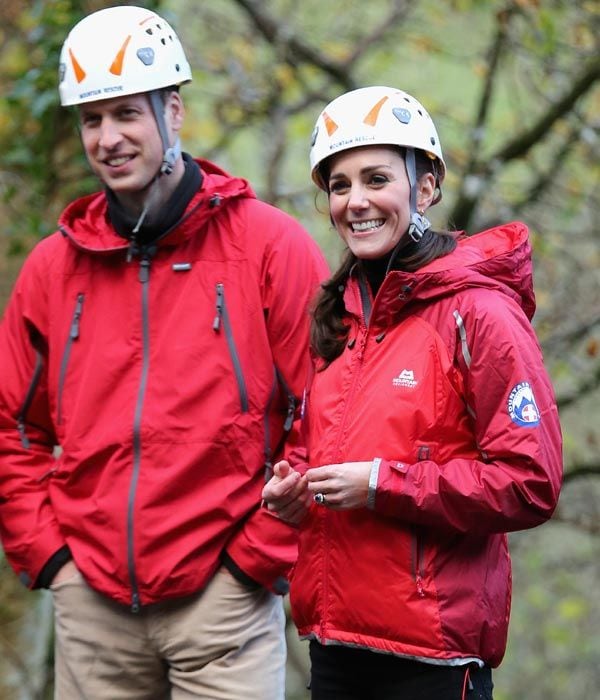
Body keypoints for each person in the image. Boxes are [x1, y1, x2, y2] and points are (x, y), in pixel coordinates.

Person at [0, 6, 329, 699]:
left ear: (172, 111)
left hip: (225, 607)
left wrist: (255, 558)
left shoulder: (270, 248)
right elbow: (13, 431)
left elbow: (327, 415)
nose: (109, 138)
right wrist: (51, 559)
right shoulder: (51, 271)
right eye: (92, 120)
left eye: (127, 114)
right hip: (92, 613)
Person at [262, 85, 563, 700]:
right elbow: (313, 450)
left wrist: (381, 484)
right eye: (339, 186)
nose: (356, 201)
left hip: (434, 661)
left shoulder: (480, 314)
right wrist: (293, 487)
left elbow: (531, 481)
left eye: (376, 178)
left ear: (425, 187)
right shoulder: (336, 319)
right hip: (334, 649)